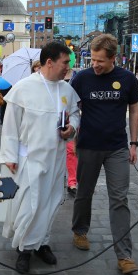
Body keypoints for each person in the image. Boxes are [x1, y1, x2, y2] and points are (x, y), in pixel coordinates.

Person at [0, 42, 80, 274]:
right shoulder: (23, 88)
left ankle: (42, 243)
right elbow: (9, 127)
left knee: (51, 202)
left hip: (56, 157)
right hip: (28, 158)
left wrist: (71, 129)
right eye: (65, 63)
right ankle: (24, 248)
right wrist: (9, 157)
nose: (68, 68)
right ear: (49, 62)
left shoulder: (66, 89)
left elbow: (75, 116)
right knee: (30, 205)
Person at [70, 34, 138, 275]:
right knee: (84, 192)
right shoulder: (82, 78)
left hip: (117, 148)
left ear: (113, 58)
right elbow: (70, 108)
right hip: (88, 145)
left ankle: (124, 256)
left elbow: (133, 110)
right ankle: (80, 230)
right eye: (93, 59)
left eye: (100, 61)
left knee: (119, 199)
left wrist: (134, 143)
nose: (95, 65)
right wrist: (70, 129)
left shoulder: (127, 79)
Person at [64, 65, 78, 197]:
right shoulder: (52, 78)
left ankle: (72, 182)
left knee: (71, 151)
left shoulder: (76, 77)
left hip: (71, 119)